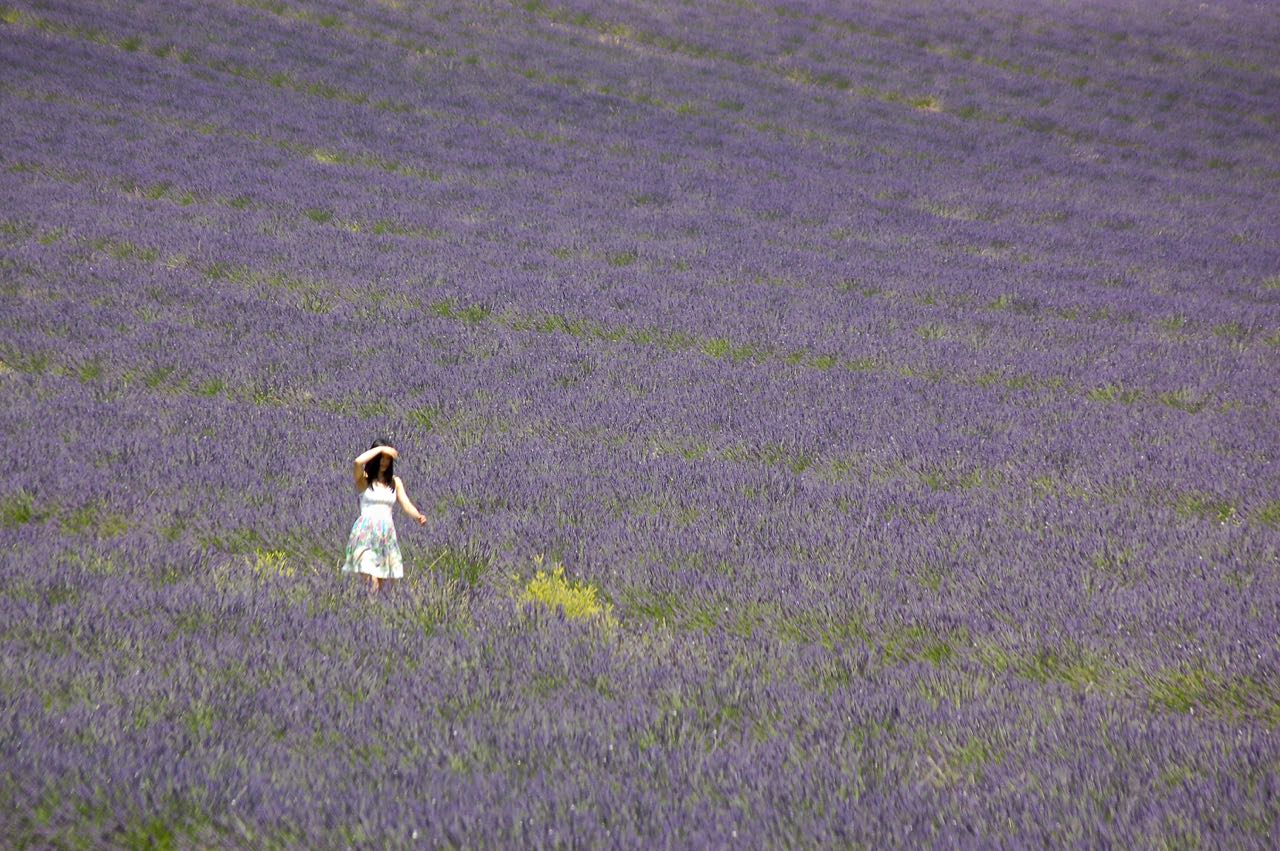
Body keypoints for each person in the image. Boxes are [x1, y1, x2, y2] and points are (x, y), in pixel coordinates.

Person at [340, 438, 427, 598]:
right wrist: (381, 449)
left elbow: (406, 504)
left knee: (384, 588)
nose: (384, 462)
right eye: (381, 458)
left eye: (387, 459)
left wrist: (418, 516)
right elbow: (357, 462)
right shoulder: (364, 479)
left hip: (386, 536)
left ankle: (375, 616)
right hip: (365, 535)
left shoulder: (395, 482)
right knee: (371, 582)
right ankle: (369, 613)